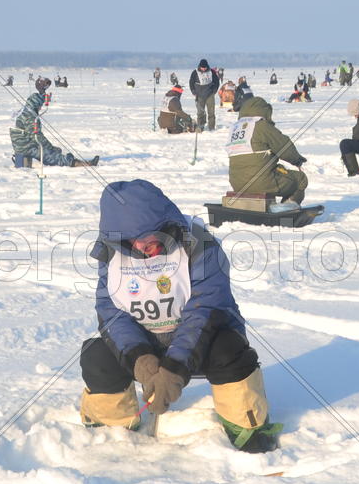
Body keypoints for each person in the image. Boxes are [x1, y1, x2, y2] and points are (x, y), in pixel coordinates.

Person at [79, 179, 282, 453]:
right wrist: (142, 362)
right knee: (96, 354)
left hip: (200, 344)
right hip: (147, 347)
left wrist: (174, 368)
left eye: (147, 236)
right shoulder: (112, 254)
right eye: (130, 240)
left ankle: (248, 430)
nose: (140, 246)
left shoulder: (200, 245)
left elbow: (206, 311)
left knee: (230, 349)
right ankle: (111, 434)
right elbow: (111, 312)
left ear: (165, 224)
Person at [225, 96, 308, 211]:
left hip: (237, 184)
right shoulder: (262, 126)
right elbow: (284, 147)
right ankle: (287, 208)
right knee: (301, 180)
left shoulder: (235, 129)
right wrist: (297, 160)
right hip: (262, 182)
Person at [10, 76, 99, 168]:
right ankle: (79, 164)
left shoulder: (27, 111)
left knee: (54, 151)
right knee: (52, 156)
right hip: (26, 147)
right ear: (36, 105)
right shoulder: (30, 117)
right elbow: (37, 137)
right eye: (40, 105)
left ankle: (71, 160)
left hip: (26, 144)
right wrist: (50, 148)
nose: (41, 107)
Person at [189, 58, 220, 131]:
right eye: (202, 67)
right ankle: (200, 127)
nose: (203, 69)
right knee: (200, 113)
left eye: (205, 67)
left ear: (207, 66)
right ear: (200, 66)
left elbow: (216, 81)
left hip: (210, 95)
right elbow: (191, 82)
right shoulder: (195, 72)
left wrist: (214, 90)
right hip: (199, 95)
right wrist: (193, 91)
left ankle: (211, 127)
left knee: (211, 112)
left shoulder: (212, 72)